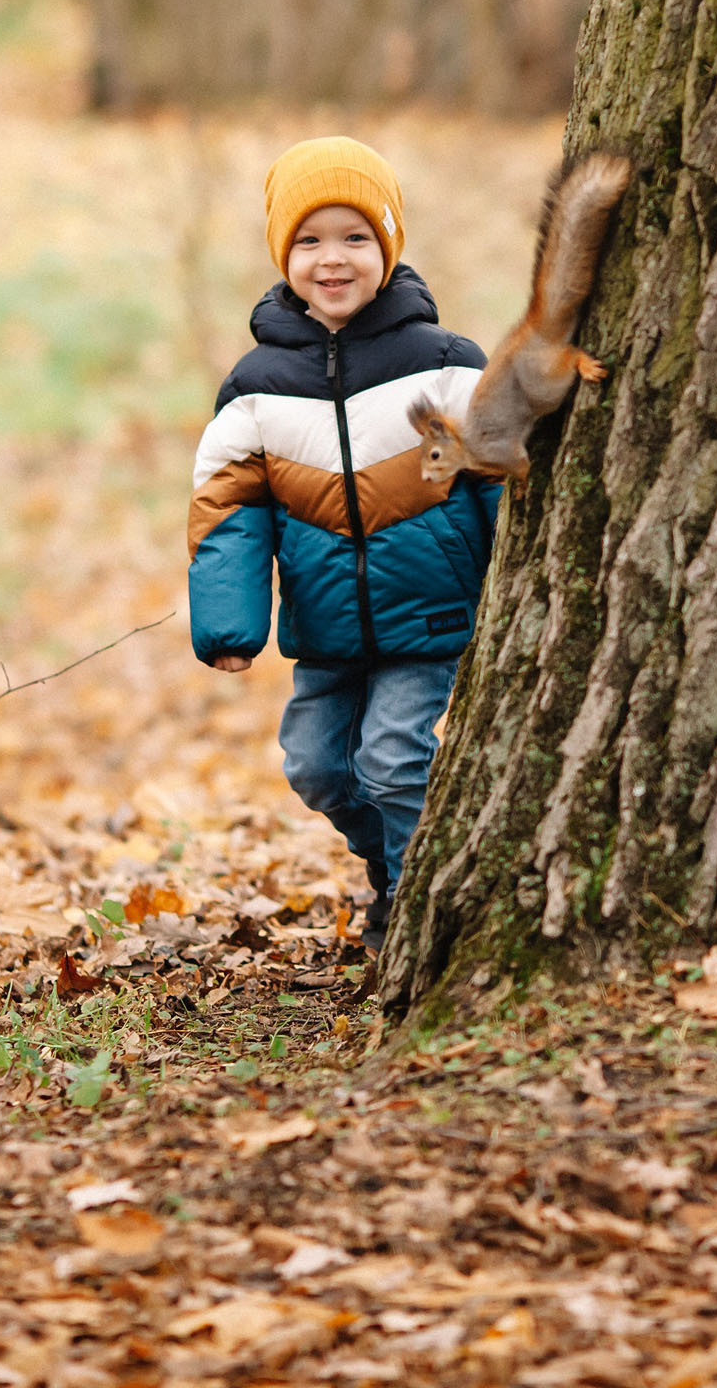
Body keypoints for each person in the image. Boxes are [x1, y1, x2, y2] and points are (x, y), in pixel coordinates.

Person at [186, 137, 497, 952]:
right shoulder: (256, 387)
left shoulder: (443, 367)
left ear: (389, 247)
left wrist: (511, 585)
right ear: (282, 252)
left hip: (429, 620)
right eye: (311, 240)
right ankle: (393, 866)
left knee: (394, 760)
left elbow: (504, 474)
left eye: (356, 238)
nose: (333, 259)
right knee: (317, 768)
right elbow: (230, 510)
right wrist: (229, 626)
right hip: (326, 633)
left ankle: (411, 899)